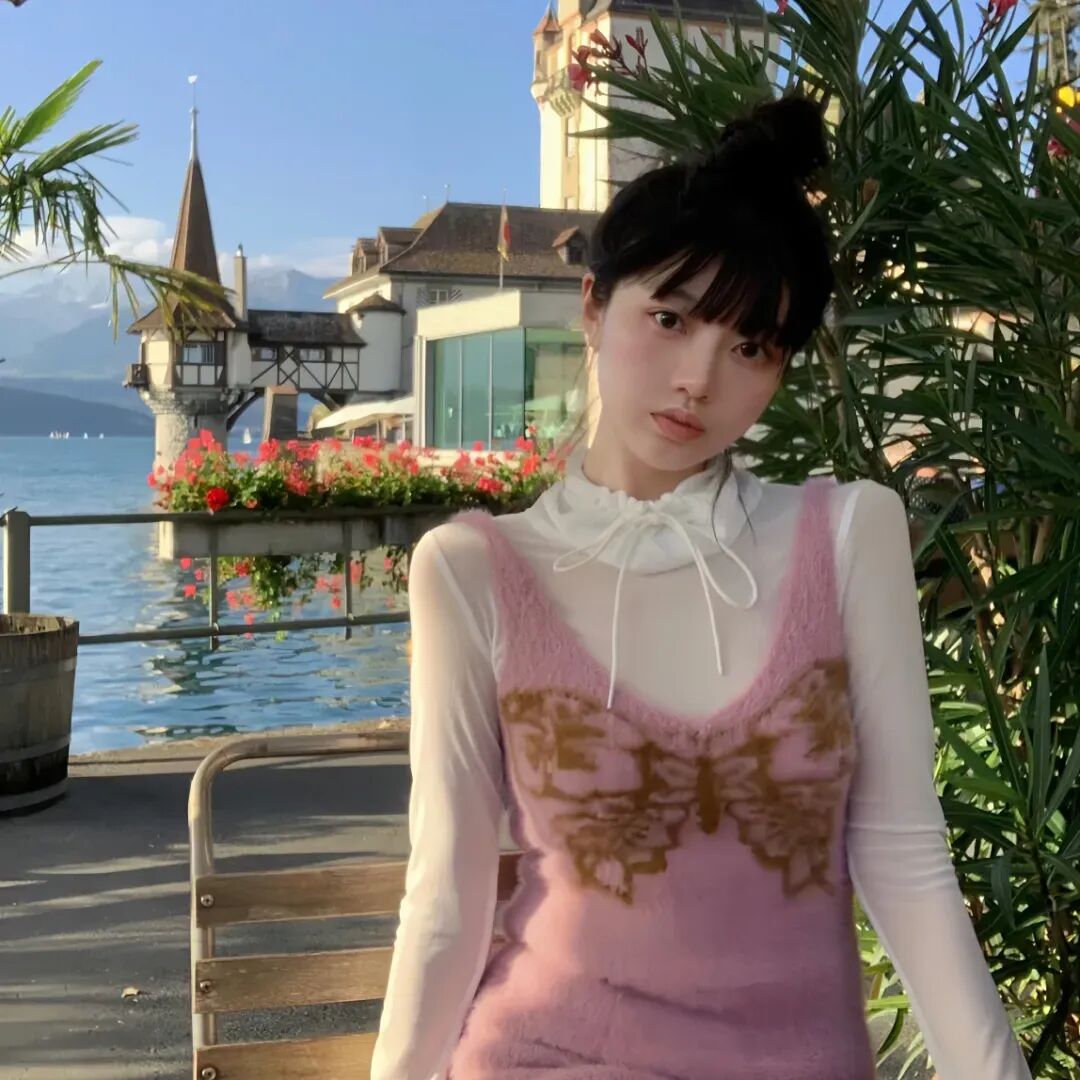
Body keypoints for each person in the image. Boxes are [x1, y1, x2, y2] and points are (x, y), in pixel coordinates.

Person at [371, 96, 1032, 1079]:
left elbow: (904, 859)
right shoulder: (472, 571)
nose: (698, 378)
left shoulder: (848, 535)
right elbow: (447, 897)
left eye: (750, 346)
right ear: (594, 308)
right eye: (670, 318)